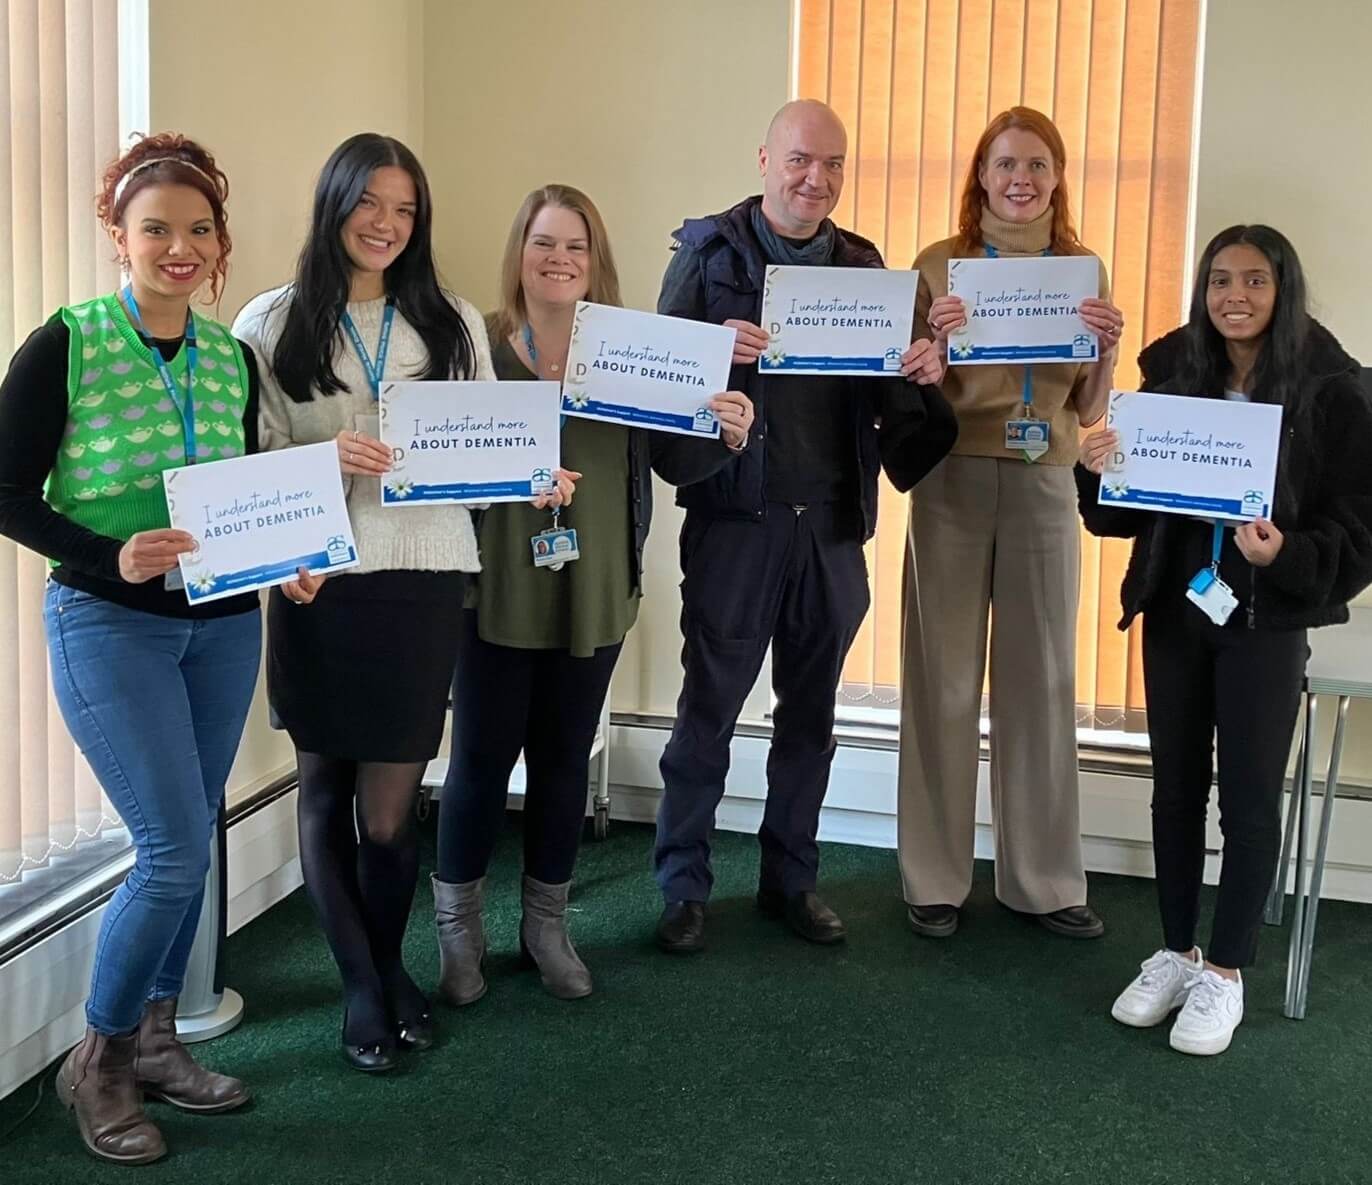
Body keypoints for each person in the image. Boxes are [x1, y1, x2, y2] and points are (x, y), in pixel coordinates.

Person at [233, 134, 568, 1073]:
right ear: (333, 203)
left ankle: (385, 965)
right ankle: (364, 989)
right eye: (369, 203)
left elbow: (489, 451)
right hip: (318, 583)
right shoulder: (272, 321)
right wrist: (322, 459)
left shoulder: (452, 320)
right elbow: (243, 461)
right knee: (323, 789)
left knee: (388, 812)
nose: (385, 224)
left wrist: (533, 476)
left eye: (405, 208)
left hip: (423, 582)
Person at [0, 133, 273, 1164]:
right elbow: (6, 493)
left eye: (198, 229)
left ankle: (160, 1039)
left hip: (223, 623)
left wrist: (282, 554)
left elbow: (241, 496)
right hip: (108, 623)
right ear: (116, 233)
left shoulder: (230, 357)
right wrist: (111, 556)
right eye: (156, 227)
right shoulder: (62, 344)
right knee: (168, 849)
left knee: (194, 831)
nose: (180, 247)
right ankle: (101, 1061)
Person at [432, 185, 753, 1001]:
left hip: (596, 584)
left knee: (564, 760)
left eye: (575, 245)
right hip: (496, 584)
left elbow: (675, 465)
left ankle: (546, 925)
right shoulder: (476, 349)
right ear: (520, 252)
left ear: (595, 259)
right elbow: (445, 460)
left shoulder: (628, 350)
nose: (559, 259)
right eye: (543, 242)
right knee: (477, 761)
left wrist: (723, 432)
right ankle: (457, 933)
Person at [650, 100, 956, 953]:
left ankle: (792, 880)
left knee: (811, 717)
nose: (814, 179)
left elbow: (900, 411)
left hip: (829, 525)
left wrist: (927, 373)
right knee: (705, 710)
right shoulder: (707, 255)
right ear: (763, 159)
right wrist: (716, 353)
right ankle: (683, 885)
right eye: (798, 160)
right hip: (734, 524)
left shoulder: (868, 268)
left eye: (832, 164)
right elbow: (657, 391)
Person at [1078, 225, 1372, 1055]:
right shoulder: (1168, 373)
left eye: (1252, 281)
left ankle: (1227, 972)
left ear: (1284, 290)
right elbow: (1119, 514)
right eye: (1218, 281)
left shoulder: (1335, 391)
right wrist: (1097, 466)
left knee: (1247, 801)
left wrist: (1290, 556)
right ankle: (1175, 949)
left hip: (1265, 620)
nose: (1233, 296)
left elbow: (1359, 528)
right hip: (1178, 609)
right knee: (1173, 790)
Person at [897, 106, 1124, 942]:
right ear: (980, 177)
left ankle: (1043, 880)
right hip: (952, 475)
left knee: (1043, 679)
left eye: (1036, 164)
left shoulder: (1083, 268)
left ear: (1058, 177)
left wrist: (1104, 349)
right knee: (942, 678)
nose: (1020, 180)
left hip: (1044, 480)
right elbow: (911, 388)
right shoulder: (938, 265)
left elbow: (1091, 406)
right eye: (1004, 165)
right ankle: (934, 878)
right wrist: (936, 348)